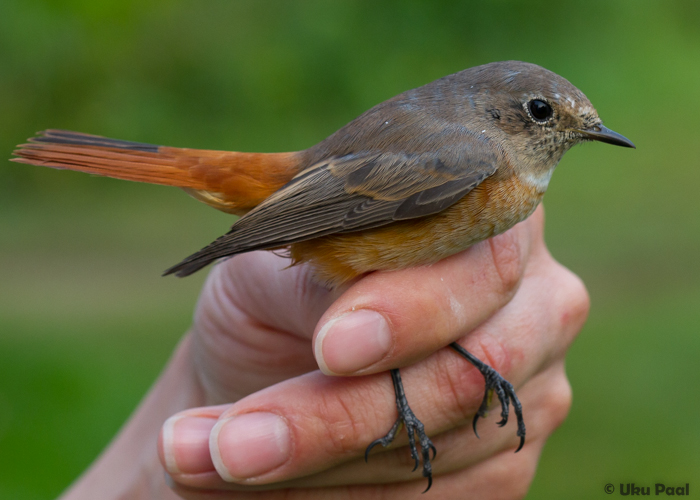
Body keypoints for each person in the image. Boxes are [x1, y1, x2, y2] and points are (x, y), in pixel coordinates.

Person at [58, 207, 589, 499]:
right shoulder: (470, 155)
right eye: (542, 114)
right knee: (383, 319)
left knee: (397, 317)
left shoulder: (495, 177)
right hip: (323, 211)